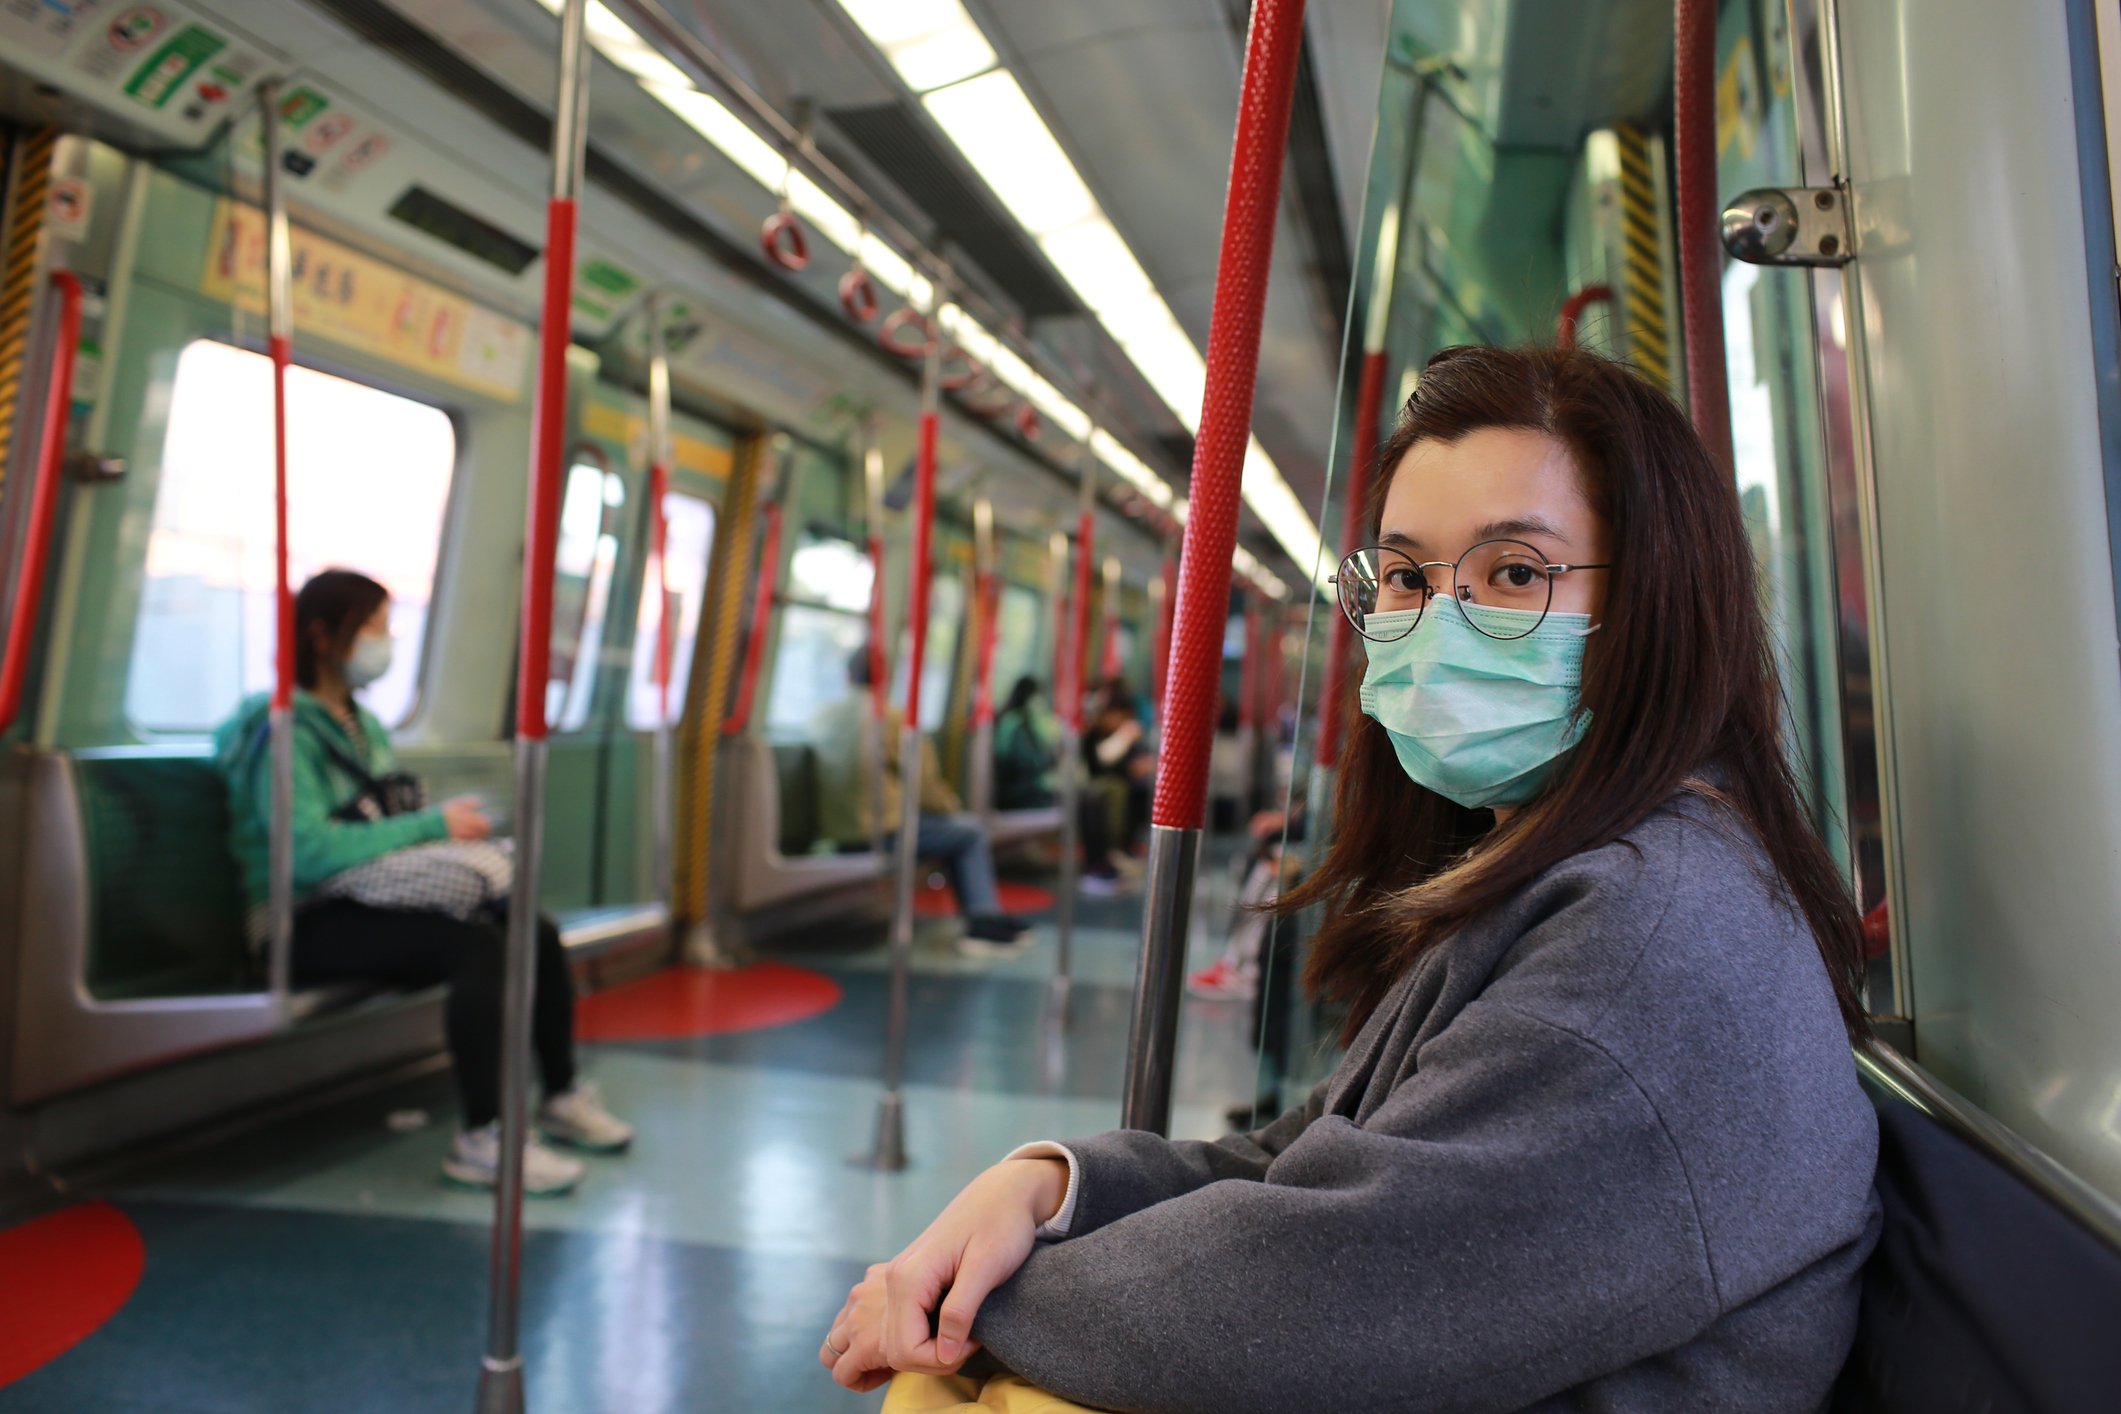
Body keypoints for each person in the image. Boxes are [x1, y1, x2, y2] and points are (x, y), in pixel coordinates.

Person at [820, 346, 1880, 1410]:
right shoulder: (1576, 868)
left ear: (1655, 603)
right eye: (1408, 577)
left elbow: (1331, 1288)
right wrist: (1052, 1186)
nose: (1438, 623)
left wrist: (971, 1313)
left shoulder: (1650, 943)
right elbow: (1324, 1158)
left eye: (1514, 572)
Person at [215, 570, 632, 1197]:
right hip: (297, 919)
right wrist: (431, 826)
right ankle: (482, 1137)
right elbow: (304, 853)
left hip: (362, 902)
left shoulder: (360, 723)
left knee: (530, 928)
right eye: (374, 627)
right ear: (325, 635)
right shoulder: (281, 730)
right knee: (474, 946)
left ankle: (561, 1093)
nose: (385, 641)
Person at [812, 646, 1031, 955]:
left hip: (837, 830)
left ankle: (986, 915)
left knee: (955, 831)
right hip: (882, 833)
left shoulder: (823, 717)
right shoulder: (892, 719)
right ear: (885, 677)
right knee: (969, 832)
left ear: (847, 676)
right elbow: (925, 787)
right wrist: (953, 810)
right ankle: (982, 922)